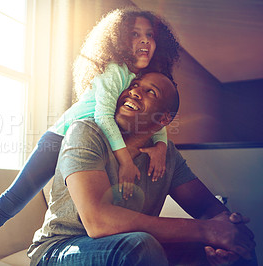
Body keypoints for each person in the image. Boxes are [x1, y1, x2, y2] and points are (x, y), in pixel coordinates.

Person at [0, 7, 180, 265]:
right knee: (12, 200)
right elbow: (103, 116)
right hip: (61, 137)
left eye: (149, 35)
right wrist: (125, 160)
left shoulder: (142, 80)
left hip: (87, 143)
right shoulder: (114, 71)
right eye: (135, 34)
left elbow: (157, 118)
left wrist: (160, 145)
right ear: (120, 40)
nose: (144, 40)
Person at [28, 72, 257, 265]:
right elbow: (98, 221)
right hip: (58, 249)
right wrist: (207, 231)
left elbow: (209, 209)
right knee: (139, 245)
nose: (134, 91)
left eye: (151, 92)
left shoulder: (166, 155)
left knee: (240, 243)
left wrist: (228, 233)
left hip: (131, 246)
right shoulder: (86, 132)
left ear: (164, 119)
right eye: (134, 85)